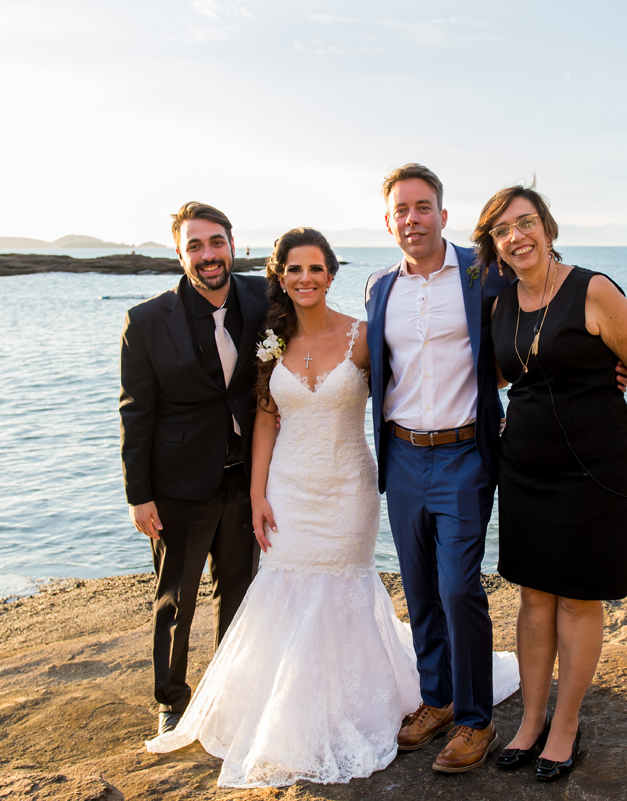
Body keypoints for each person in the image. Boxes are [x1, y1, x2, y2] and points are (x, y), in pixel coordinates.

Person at [146, 227, 518, 787]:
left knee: (345, 585)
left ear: (331, 274)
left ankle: (391, 703)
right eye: (294, 270)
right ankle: (288, 711)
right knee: (286, 584)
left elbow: (424, 373)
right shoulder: (270, 342)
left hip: (349, 485)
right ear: (280, 277)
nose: (305, 279)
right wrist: (256, 493)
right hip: (290, 487)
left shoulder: (365, 336)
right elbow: (268, 417)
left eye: (316, 268)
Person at [474, 184, 627, 782]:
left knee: (579, 598)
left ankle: (565, 726)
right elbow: (507, 373)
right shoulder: (500, 303)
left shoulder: (594, 289)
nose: (516, 236)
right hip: (524, 469)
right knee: (532, 596)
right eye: (503, 230)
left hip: (592, 467)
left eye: (525, 223)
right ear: (495, 245)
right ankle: (530, 722)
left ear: (548, 228)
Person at [363, 164, 513, 773]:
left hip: (463, 455)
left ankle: (477, 720)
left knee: (458, 587)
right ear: (389, 221)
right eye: (401, 209)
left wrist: (603, 365)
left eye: (423, 207)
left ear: (443, 216)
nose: (412, 219)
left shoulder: (484, 274)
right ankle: (438, 699)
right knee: (420, 588)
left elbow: (546, 306)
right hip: (400, 454)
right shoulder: (378, 287)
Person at [119, 201, 266, 737]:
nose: (208, 255)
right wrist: (140, 495)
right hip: (178, 484)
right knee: (175, 598)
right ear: (180, 254)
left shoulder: (263, 298)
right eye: (195, 246)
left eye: (216, 243)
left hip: (247, 479)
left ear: (233, 245)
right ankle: (171, 700)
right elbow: (135, 412)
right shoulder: (146, 321)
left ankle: (230, 690)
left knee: (241, 592)